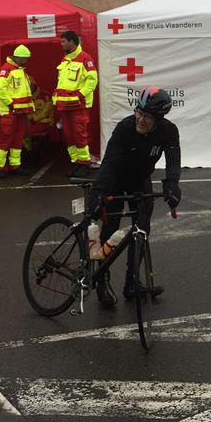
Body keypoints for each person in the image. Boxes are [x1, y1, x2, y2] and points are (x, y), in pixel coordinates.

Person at [90, 86, 181, 307]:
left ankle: (132, 283)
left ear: (159, 119)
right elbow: (109, 163)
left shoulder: (168, 131)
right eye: (138, 113)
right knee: (110, 230)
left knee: (141, 230)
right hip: (115, 180)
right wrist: (99, 191)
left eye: (147, 117)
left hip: (139, 179)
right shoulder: (124, 128)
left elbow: (173, 160)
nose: (140, 120)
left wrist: (171, 185)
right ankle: (102, 280)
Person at [53, 30, 98, 178]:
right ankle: (76, 162)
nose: (61, 44)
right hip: (65, 106)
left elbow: (92, 81)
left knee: (80, 135)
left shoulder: (85, 59)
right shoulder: (65, 60)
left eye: (63, 41)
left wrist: (80, 95)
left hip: (79, 106)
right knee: (69, 136)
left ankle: (84, 163)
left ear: (72, 42)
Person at [0, 45, 35, 178]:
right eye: (25, 59)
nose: (27, 61)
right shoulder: (6, 70)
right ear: (19, 57)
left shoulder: (20, 70)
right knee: (6, 138)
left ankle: (15, 166)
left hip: (21, 111)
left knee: (18, 139)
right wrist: (10, 104)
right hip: (10, 111)